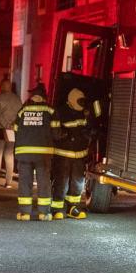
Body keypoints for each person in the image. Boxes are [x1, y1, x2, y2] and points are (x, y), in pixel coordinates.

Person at [13, 83, 60, 221]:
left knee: (25, 182)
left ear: (32, 96)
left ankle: (24, 213)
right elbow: (56, 133)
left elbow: (16, 129)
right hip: (43, 153)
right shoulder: (50, 110)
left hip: (24, 152)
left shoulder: (23, 110)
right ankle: (44, 213)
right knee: (43, 182)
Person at [51, 87, 94, 220]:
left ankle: (72, 208)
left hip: (80, 155)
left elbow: (88, 128)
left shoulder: (84, 112)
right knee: (61, 182)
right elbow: (55, 132)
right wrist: (65, 135)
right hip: (63, 154)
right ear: (71, 100)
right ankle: (57, 209)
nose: (81, 104)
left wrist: (88, 134)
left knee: (77, 183)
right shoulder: (60, 112)